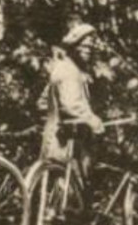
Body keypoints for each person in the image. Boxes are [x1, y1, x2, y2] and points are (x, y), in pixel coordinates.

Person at [41, 22, 107, 173]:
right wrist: (93, 121)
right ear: (74, 46)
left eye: (91, 48)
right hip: (65, 147)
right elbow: (72, 105)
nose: (88, 51)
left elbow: (42, 102)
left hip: (54, 141)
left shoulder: (64, 68)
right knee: (69, 193)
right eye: (84, 47)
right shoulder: (69, 71)